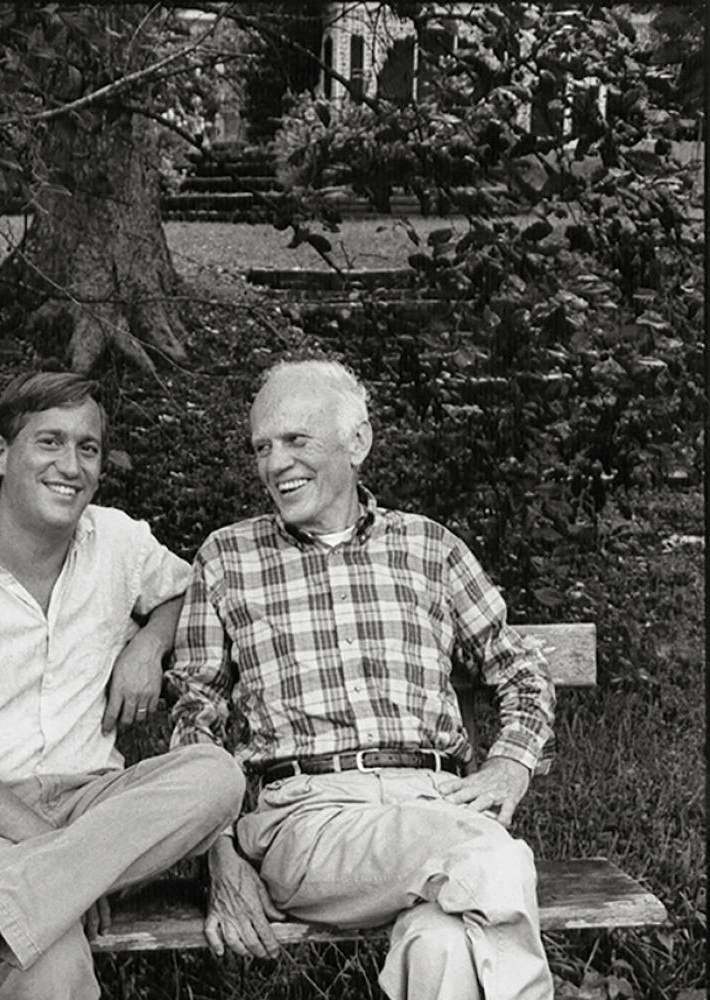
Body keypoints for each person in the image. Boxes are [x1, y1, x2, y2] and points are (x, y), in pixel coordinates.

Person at [168, 359, 557, 1000]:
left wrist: (510, 766)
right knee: (493, 858)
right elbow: (195, 717)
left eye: (297, 440)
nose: (275, 464)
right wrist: (218, 847)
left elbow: (519, 665)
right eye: (263, 447)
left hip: (437, 803)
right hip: (309, 821)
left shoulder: (430, 548)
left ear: (358, 443)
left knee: (443, 945)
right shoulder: (228, 557)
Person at [0, 371, 245, 1000]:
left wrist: (149, 644)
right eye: (49, 442)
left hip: (94, 802)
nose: (70, 466)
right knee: (48, 954)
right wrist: (74, 868)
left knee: (215, 775)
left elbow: (189, 589)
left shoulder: (118, 541)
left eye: (88, 447)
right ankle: (4, 911)